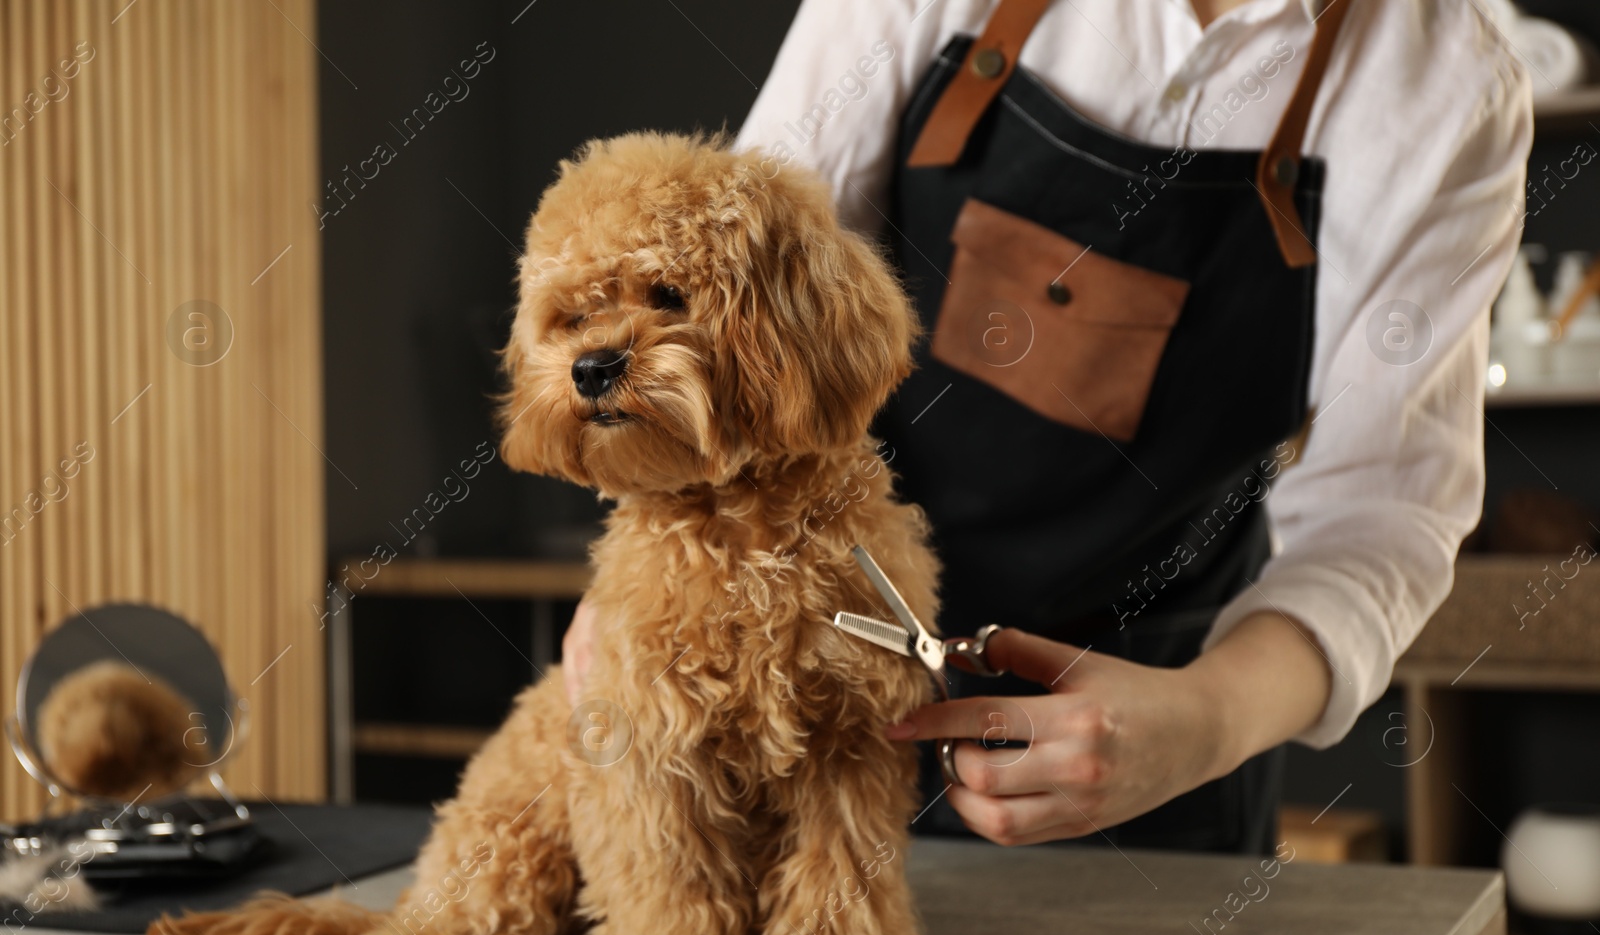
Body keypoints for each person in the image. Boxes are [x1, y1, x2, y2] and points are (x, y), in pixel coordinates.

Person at [565, 0, 1533, 853]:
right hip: (816, 672)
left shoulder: (1451, 78)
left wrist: (1203, 717)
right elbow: (739, 302)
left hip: (1145, 719)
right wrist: (654, 580)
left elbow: (1383, 513)